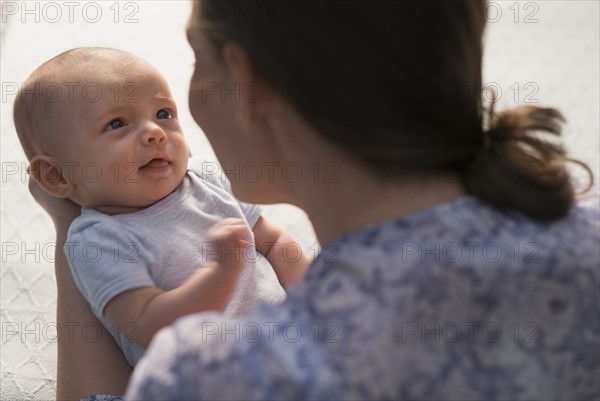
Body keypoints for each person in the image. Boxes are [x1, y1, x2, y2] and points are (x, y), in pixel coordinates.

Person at [27, 1, 599, 400]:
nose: (157, 131)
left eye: (193, 64)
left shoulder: (212, 375)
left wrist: (66, 228)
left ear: (248, 88)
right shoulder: (586, 238)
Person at [14, 47, 308, 368]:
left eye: (163, 114)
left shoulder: (206, 180)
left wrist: (314, 291)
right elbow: (149, 326)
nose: (155, 133)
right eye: (116, 124)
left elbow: (274, 242)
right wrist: (220, 274)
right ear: (56, 175)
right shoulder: (97, 240)